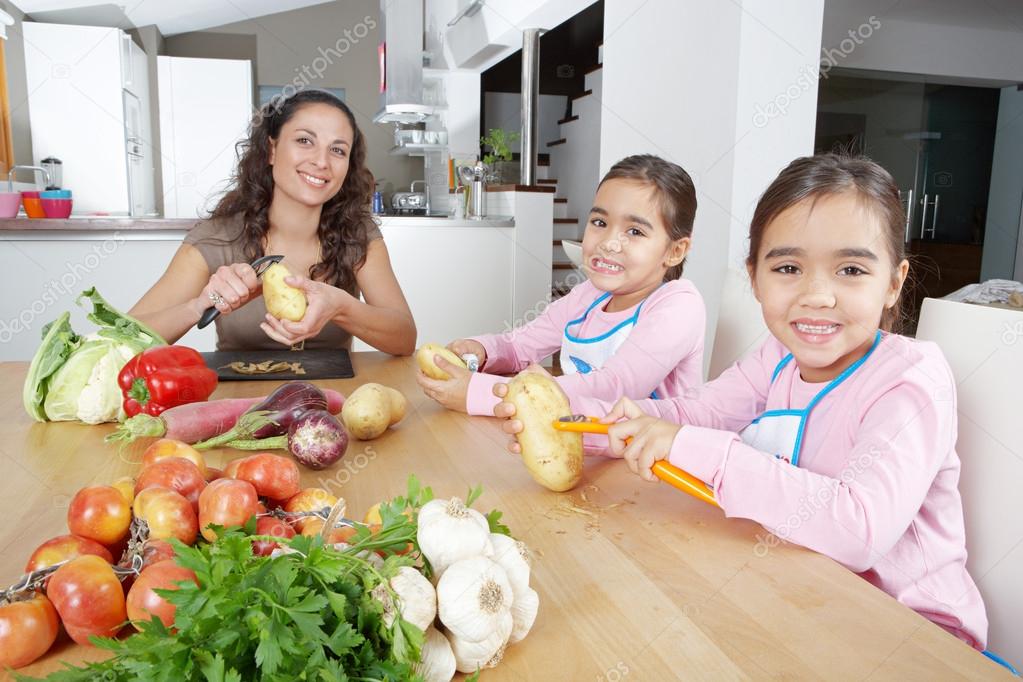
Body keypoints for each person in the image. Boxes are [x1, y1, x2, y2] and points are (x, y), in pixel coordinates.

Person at [496, 154, 990, 652]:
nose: (818, 295)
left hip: (912, 633)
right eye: (789, 267)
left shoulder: (911, 379)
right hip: (801, 589)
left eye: (851, 269)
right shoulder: (778, 357)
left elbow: (858, 529)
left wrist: (695, 447)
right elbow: (696, 413)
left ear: (893, 282)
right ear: (754, 277)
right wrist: (589, 428)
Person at [129, 89, 416, 354]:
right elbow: (122, 339)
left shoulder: (358, 234)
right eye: (305, 141)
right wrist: (199, 306)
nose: (321, 161)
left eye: (338, 150)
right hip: (239, 404)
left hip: (331, 402)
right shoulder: (216, 237)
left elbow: (404, 338)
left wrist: (341, 307)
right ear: (272, 150)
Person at [416, 154, 706, 414]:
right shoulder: (590, 295)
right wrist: (482, 350)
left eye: (634, 231)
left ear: (675, 251)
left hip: (653, 464)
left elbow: (615, 390)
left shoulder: (678, 306)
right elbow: (519, 347)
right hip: (587, 440)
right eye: (600, 223)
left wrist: (480, 394)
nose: (608, 243)